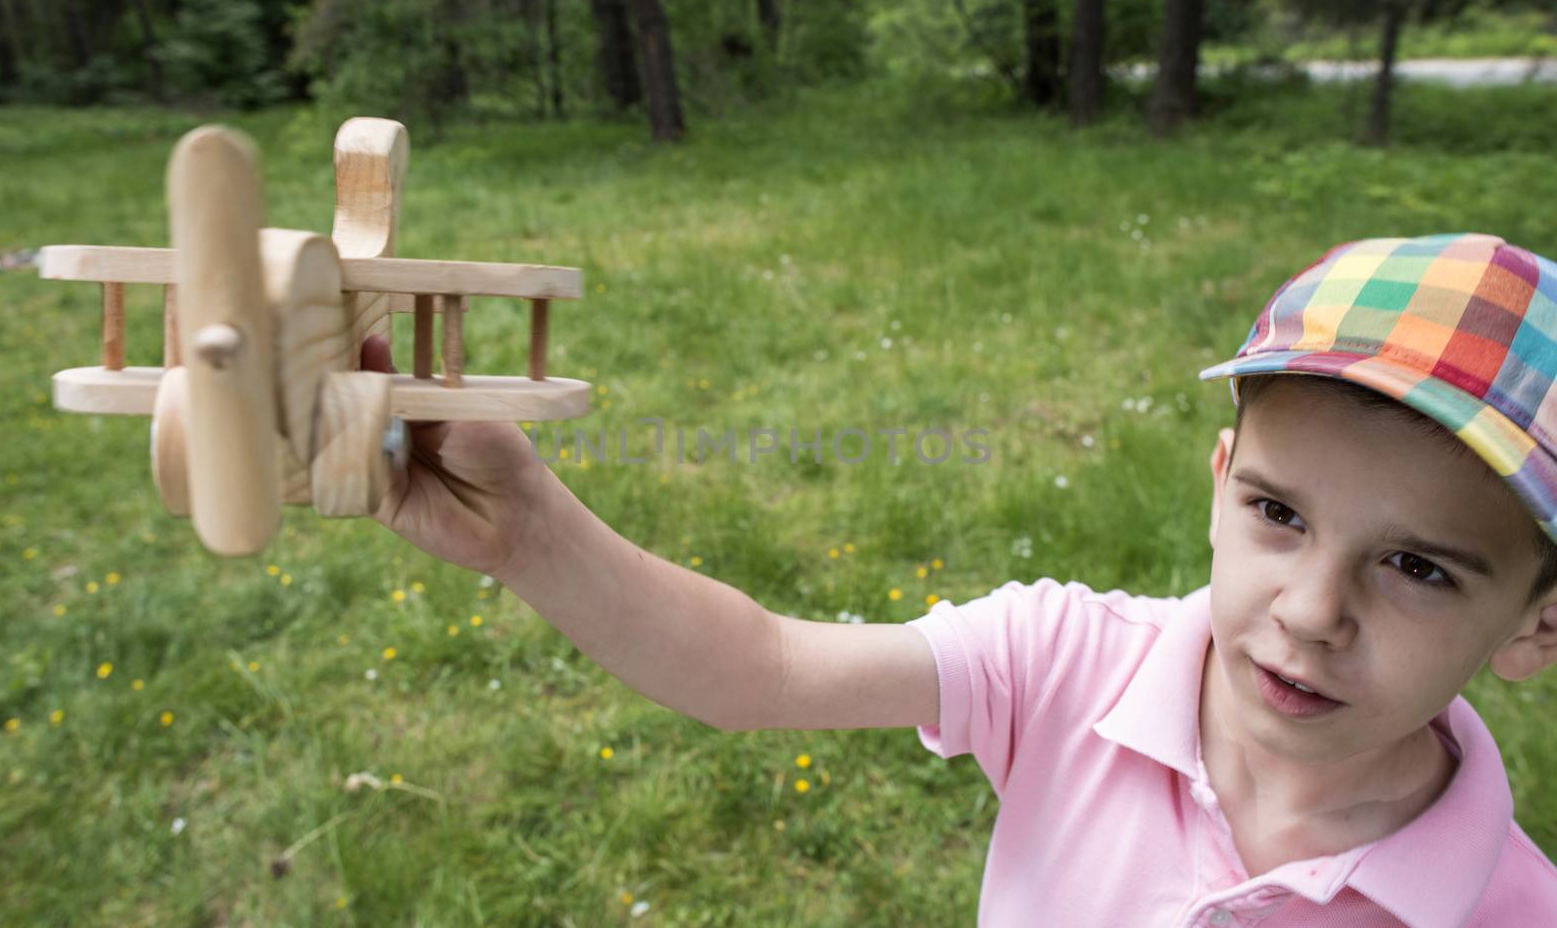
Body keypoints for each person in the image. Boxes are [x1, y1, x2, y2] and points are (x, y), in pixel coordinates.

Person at [360, 232, 1557, 925]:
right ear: (1218, 481)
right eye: (1277, 513)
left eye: (1414, 566)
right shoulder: (1069, 660)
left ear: (1537, 621)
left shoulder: (1510, 907)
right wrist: (523, 529)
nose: (1310, 609)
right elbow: (757, 666)